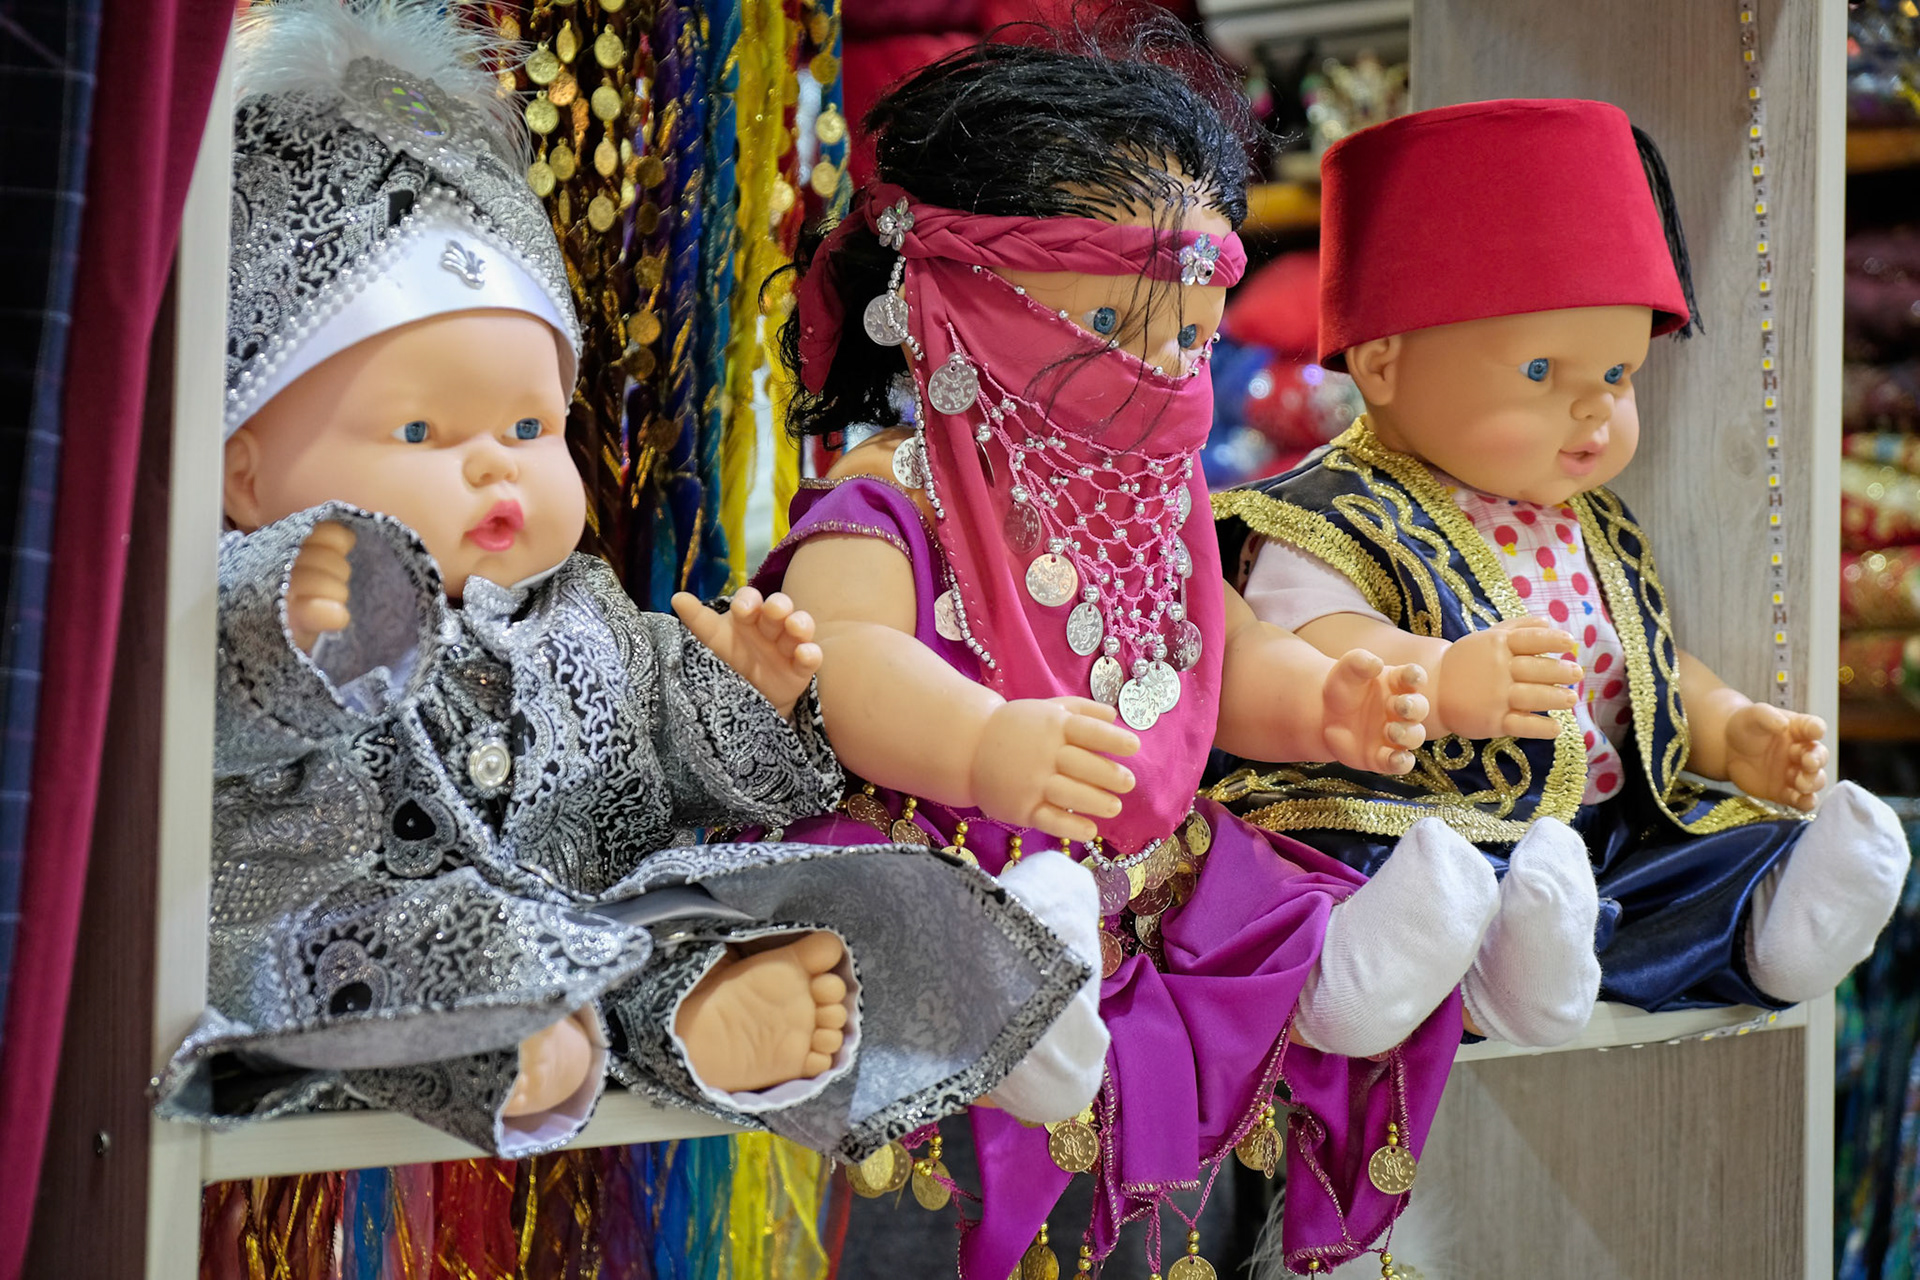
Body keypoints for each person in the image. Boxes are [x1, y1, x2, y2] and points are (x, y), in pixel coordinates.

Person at [156, 0, 1097, 1165]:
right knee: (410, 953)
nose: (496, 460)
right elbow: (195, 699)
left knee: (706, 896)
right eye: (419, 428)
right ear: (241, 468)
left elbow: (669, 758)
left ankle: (705, 1013)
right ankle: (548, 1029)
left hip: (585, 915)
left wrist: (744, 701)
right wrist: (292, 613)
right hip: (339, 931)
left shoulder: (586, 616)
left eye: (529, 422)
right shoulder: (272, 591)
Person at [755, 34, 1516, 1279]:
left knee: (1188, 1150)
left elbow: (1229, 660)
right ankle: (1018, 997)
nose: (1167, 374)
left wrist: (1329, 700)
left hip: (1144, 918)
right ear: (953, 294)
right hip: (947, 907)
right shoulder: (888, 498)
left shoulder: (1157, 513)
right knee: (928, 1233)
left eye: (1194, 339)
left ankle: (1332, 985)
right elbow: (845, 658)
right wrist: (980, 741)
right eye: (1114, 322)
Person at [1217, 98, 1910, 1032]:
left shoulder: (1592, 523)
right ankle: (1458, 970)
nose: (1595, 411)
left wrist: (1729, 729)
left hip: (1595, 841)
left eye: (1618, 378)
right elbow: (1324, 648)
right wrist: (1438, 680)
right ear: (1382, 364)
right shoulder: (1327, 514)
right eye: (1543, 374)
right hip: (1422, 826)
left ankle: (1764, 931)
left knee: (1709, 844)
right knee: (1405, 872)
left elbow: (1640, 673)